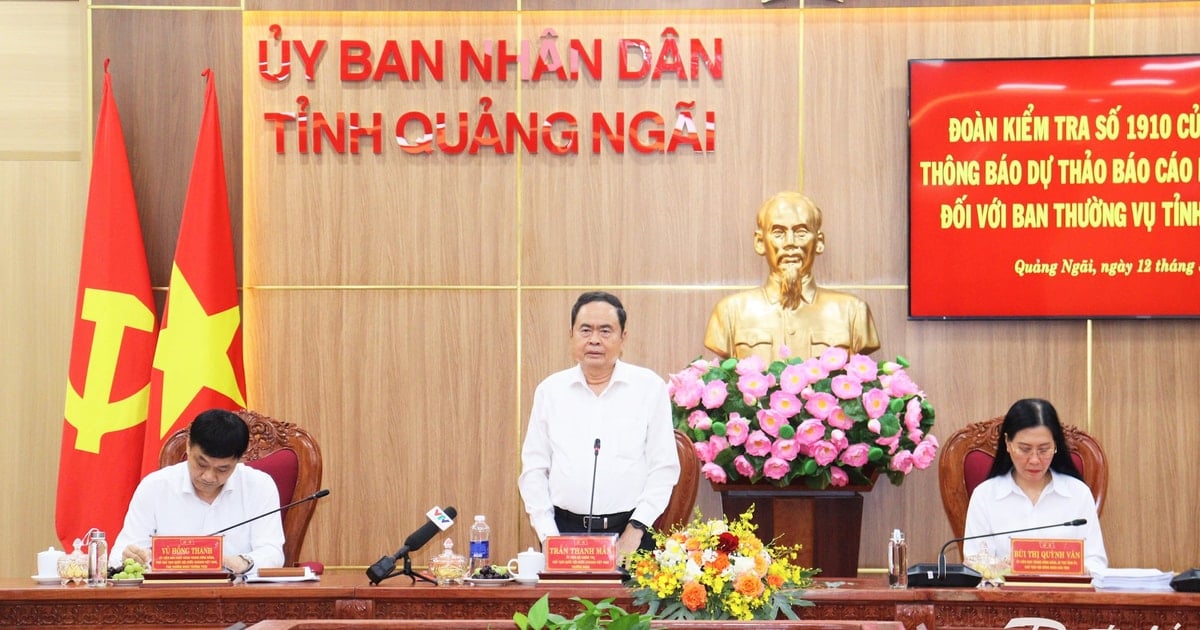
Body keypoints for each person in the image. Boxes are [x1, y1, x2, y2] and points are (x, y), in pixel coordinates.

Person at [518, 291, 681, 556]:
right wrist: (549, 536)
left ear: (622, 338)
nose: (594, 339)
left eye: (606, 331)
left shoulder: (649, 388)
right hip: (563, 533)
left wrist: (635, 530)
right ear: (571, 334)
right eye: (585, 330)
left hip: (631, 535)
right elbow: (534, 470)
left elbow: (663, 468)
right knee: (564, 600)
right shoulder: (550, 391)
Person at [705, 191, 880, 363]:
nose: (790, 242)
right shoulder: (730, 312)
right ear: (760, 242)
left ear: (819, 242)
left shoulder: (852, 311)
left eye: (801, 233)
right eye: (778, 233)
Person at [110, 409, 285, 574]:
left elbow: (273, 552)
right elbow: (118, 557)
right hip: (168, 597)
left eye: (222, 469)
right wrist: (129, 557)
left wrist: (243, 562)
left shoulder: (259, 486)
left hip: (235, 597)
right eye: (201, 464)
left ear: (239, 459)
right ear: (188, 446)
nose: (209, 477)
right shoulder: (155, 487)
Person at [964, 398, 1107, 573]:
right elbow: (973, 563)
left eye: (1044, 449)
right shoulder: (985, 496)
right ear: (1008, 443)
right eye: (1024, 449)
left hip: (1063, 597)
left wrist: (1070, 568)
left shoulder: (1078, 493)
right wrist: (1002, 569)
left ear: (1056, 445)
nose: (1034, 460)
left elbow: (1097, 563)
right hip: (1005, 598)